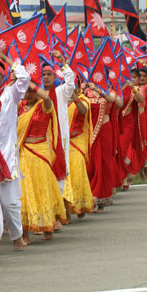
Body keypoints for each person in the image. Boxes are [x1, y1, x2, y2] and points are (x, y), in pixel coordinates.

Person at [0, 49, 29, 253]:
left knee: (10, 204)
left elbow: (25, 77)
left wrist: (6, 59)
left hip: (7, 157)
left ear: (3, 76)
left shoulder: (11, 93)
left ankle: (17, 236)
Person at [17, 82, 66, 244]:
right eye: (25, 91)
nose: (28, 94)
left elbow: (46, 97)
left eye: (31, 91)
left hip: (40, 152)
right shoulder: (18, 107)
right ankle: (24, 234)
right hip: (23, 152)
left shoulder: (43, 106)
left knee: (42, 188)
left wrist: (30, 81)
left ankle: (47, 225)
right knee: (25, 192)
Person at [41, 52, 74, 221]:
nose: (46, 78)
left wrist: (62, 61)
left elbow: (71, 81)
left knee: (60, 174)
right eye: (43, 74)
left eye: (49, 75)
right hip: (40, 142)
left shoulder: (60, 92)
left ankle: (58, 212)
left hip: (59, 140)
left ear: (55, 76)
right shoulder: (34, 94)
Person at [84, 84, 123, 211]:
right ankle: (90, 193)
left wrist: (97, 89)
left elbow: (114, 101)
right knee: (91, 164)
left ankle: (100, 196)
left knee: (103, 163)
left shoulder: (109, 92)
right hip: (89, 131)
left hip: (104, 130)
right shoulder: (86, 91)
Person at [63, 87, 95, 216]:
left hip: (78, 140)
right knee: (65, 177)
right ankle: (67, 210)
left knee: (77, 172)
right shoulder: (60, 99)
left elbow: (83, 111)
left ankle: (80, 204)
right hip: (64, 142)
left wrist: (75, 98)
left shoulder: (83, 100)